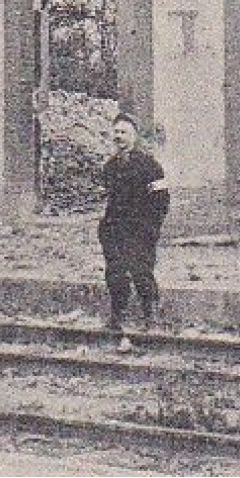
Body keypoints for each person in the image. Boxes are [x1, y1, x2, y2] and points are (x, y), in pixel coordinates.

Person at [98, 112, 169, 331]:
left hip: (141, 229)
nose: (119, 136)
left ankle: (151, 317)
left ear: (134, 136)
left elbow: (162, 200)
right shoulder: (110, 167)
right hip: (115, 230)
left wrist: (151, 227)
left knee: (142, 271)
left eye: (124, 132)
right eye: (116, 132)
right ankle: (118, 317)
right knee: (115, 273)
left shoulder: (150, 166)